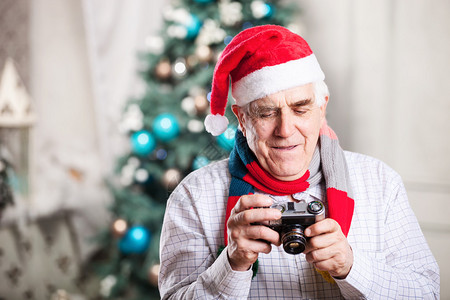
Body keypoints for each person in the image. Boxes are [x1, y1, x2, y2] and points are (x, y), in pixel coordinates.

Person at [158, 25, 439, 299]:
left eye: (300, 108)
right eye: (267, 113)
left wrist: (351, 267)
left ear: (322, 107)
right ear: (241, 119)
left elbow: (427, 292)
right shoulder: (193, 196)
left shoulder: (379, 182)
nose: (285, 130)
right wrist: (233, 263)